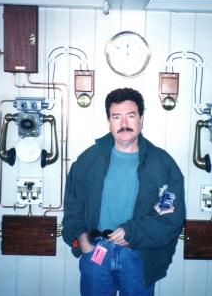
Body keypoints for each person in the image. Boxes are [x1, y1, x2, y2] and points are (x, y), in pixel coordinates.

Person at [62, 87, 185, 296]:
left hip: (139, 256)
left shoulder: (162, 165)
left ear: (141, 119)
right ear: (109, 121)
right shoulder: (87, 161)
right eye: (116, 117)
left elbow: (171, 220)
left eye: (131, 116)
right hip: (96, 252)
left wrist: (133, 232)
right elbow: (73, 209)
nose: (124, 124)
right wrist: (83, 241)